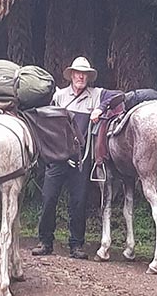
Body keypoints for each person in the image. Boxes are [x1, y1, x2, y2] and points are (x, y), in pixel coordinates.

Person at [32, 56, 119, 260]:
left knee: (78, 202)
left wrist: (101, 108)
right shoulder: (59, 96)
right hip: (57, 156)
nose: (81, 76)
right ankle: (45, 241)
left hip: (81, 158)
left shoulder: (96, 95)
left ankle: (76, 245)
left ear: (89, 77)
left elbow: (118, 96)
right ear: (71, 75)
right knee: (49, 199)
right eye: (77, 73)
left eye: (84, 74)